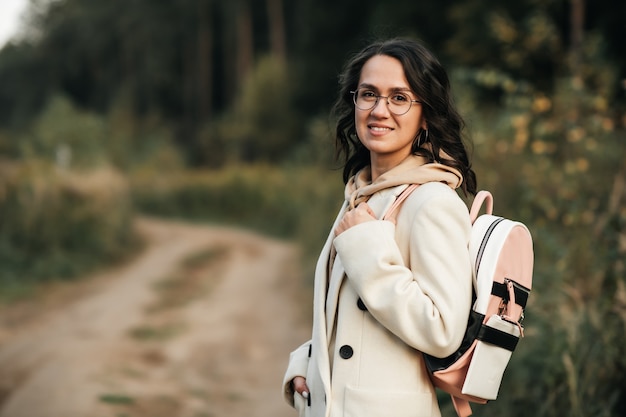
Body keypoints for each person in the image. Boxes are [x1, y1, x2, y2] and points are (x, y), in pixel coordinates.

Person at [282, 38, 477, 417]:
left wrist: (368, 251)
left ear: (426, 114)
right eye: (368, 94)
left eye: (399, 97)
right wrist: (309, 364)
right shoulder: (361, 195)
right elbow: (356, 323)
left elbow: (442, 331)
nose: (379, 110)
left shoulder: (432, 202)